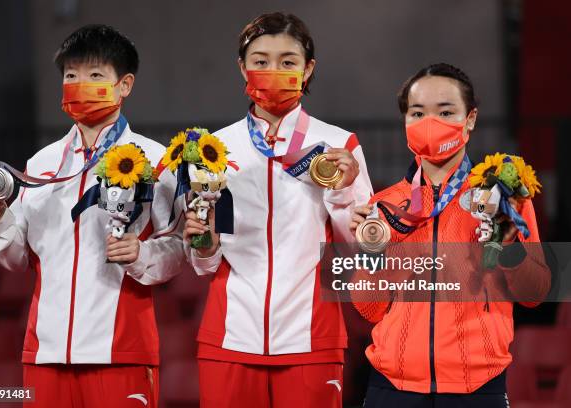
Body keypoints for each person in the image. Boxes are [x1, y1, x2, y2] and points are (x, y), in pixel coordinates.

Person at [0, 24, 185, 408]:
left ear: (125, 85)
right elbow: (17, 256)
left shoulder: (156, 161)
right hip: (45, 352)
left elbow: (176, 246)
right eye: (71, 75)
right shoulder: (42, 163)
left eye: (95, 75)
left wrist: (141, 255)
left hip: (120, 351)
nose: (79, 84)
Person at [183, 12, 373, 408]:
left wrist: (340, 193)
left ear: (308, 70)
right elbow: (204, 264)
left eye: (288, 62)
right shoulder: (215, 150)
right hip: (230, 335)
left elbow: (360, 253)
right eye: (260, 61)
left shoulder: (338, 146)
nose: (273, 71)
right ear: (243, 68)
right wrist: (203, 244)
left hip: (312, 335)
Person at [350, 63, 550, 408]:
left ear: (469, 118)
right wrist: (372, 253)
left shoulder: (503, 197)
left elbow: (535, 294)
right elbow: (369, 309)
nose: (431, 122)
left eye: (446, 111)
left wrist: (506, 249)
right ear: (405, 122)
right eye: (418, 112)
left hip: (478, 388)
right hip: (391, 388)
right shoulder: (384, 205)